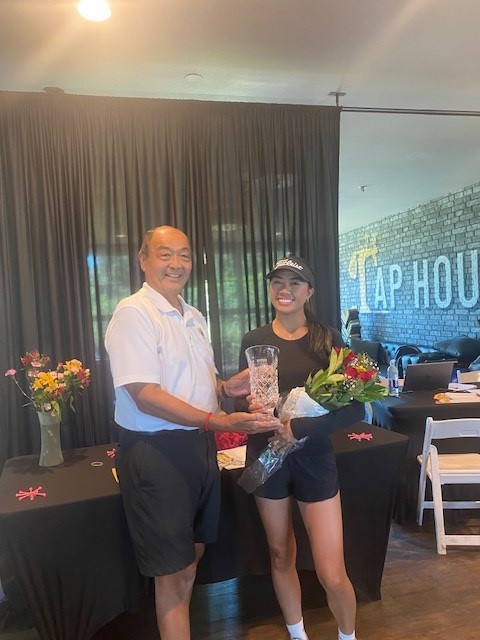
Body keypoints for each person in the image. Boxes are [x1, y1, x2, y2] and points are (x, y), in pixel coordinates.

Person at [105, 225, 280, 640]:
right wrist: (215, 420)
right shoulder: (133, 313)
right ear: (143, 259)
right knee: (174, 572)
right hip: (157, 452)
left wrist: (226, 388)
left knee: (192, 558)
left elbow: (197, 386)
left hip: (199, 448)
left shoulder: (193, 315)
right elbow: (145, 395)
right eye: (165, 254)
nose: (176, 264)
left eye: (184, 255)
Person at [237, 256, 364, 640]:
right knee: (280, 554)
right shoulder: (252, 340)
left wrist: (302, 427)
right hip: (267, 455)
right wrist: (249, 407)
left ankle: (347, 635)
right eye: (278, 282)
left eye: (295, 282)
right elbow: (245, 397)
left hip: (314, 459)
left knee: (331, 572)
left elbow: (356, 408)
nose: (284, 289)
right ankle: (297, 634)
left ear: (309, 291)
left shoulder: (329, 339)